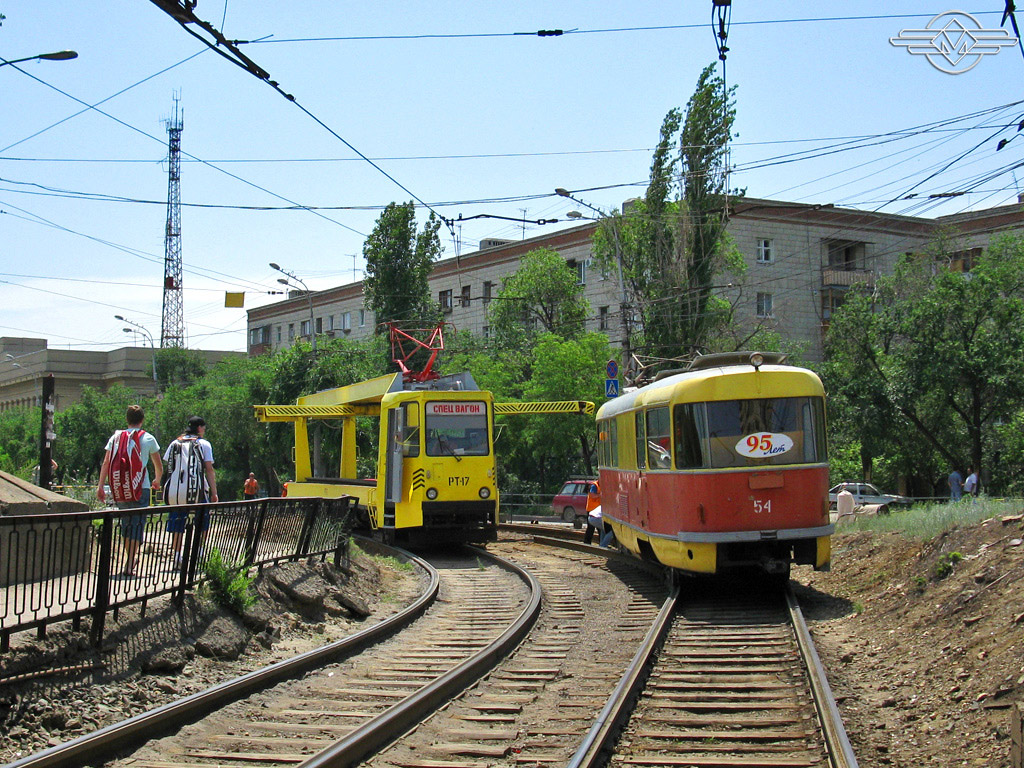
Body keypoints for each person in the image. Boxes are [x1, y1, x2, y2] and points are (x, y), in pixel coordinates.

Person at [97, 405, 162, 577]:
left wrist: (100, 486)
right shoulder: (148, 438)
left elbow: (106, 462)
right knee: (138, 523)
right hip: (141, 487)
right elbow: (158, 465)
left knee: (126, 524)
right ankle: (131, 559)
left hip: (121, 487)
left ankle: (130, 558)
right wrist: (157, 480)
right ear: (142, 420)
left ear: (127, 419)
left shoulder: (116, 438)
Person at [164, 416, 219, 566]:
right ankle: (200, 554)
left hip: (177, 492)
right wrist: (214, 492)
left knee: (177, 522)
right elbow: (209, 469)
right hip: (198, 491)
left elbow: (168, 466)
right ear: (200, 428)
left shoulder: (175, 443)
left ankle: (176, 556)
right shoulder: (204, 444)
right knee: (203, 521)